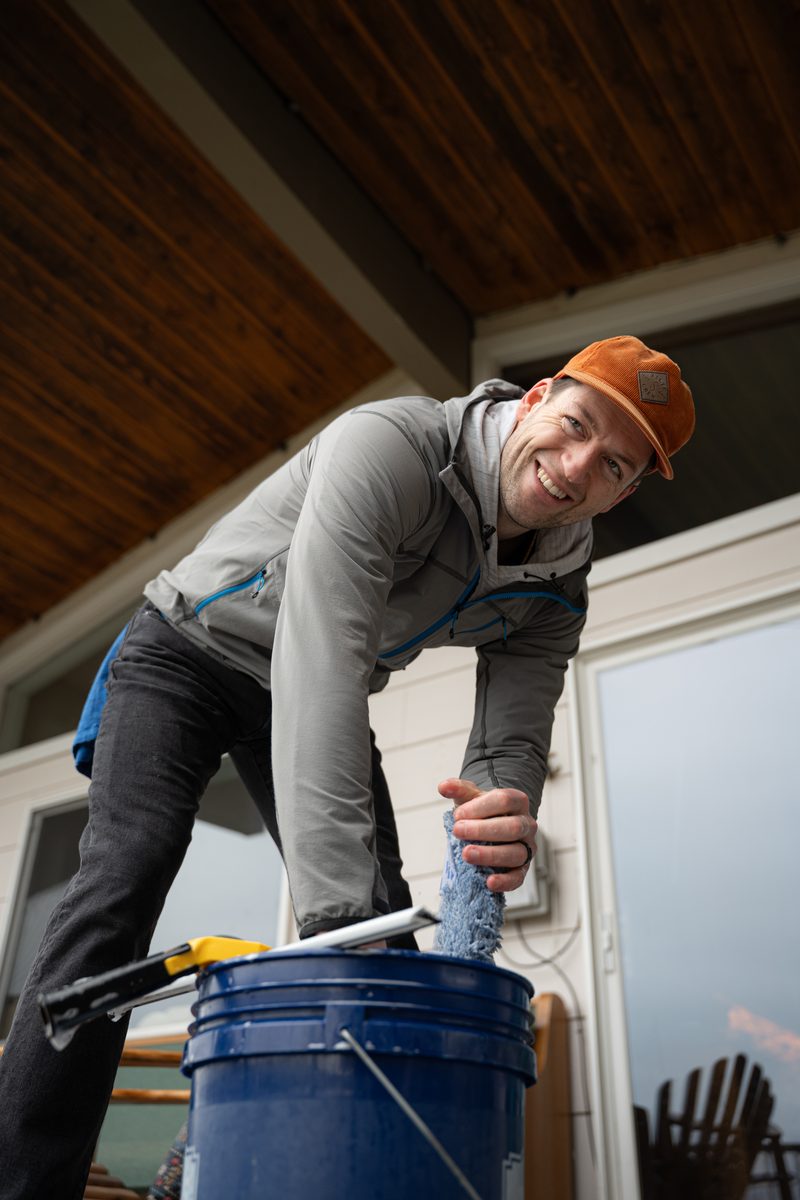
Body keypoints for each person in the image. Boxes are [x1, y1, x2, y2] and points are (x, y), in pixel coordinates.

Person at [0, 334, 694, 1198]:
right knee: (128, 872)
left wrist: (503, 817)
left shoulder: (558, 583)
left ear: (626, 491)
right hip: (190, 651)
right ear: (536, 398)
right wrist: (338, 923)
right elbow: (323, 662)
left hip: (316, 680)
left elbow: (507, 747)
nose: (577, 465)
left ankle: (265, 1171)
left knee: (385, 939)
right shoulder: (392, 448)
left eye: (615, 464)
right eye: (578, 424)